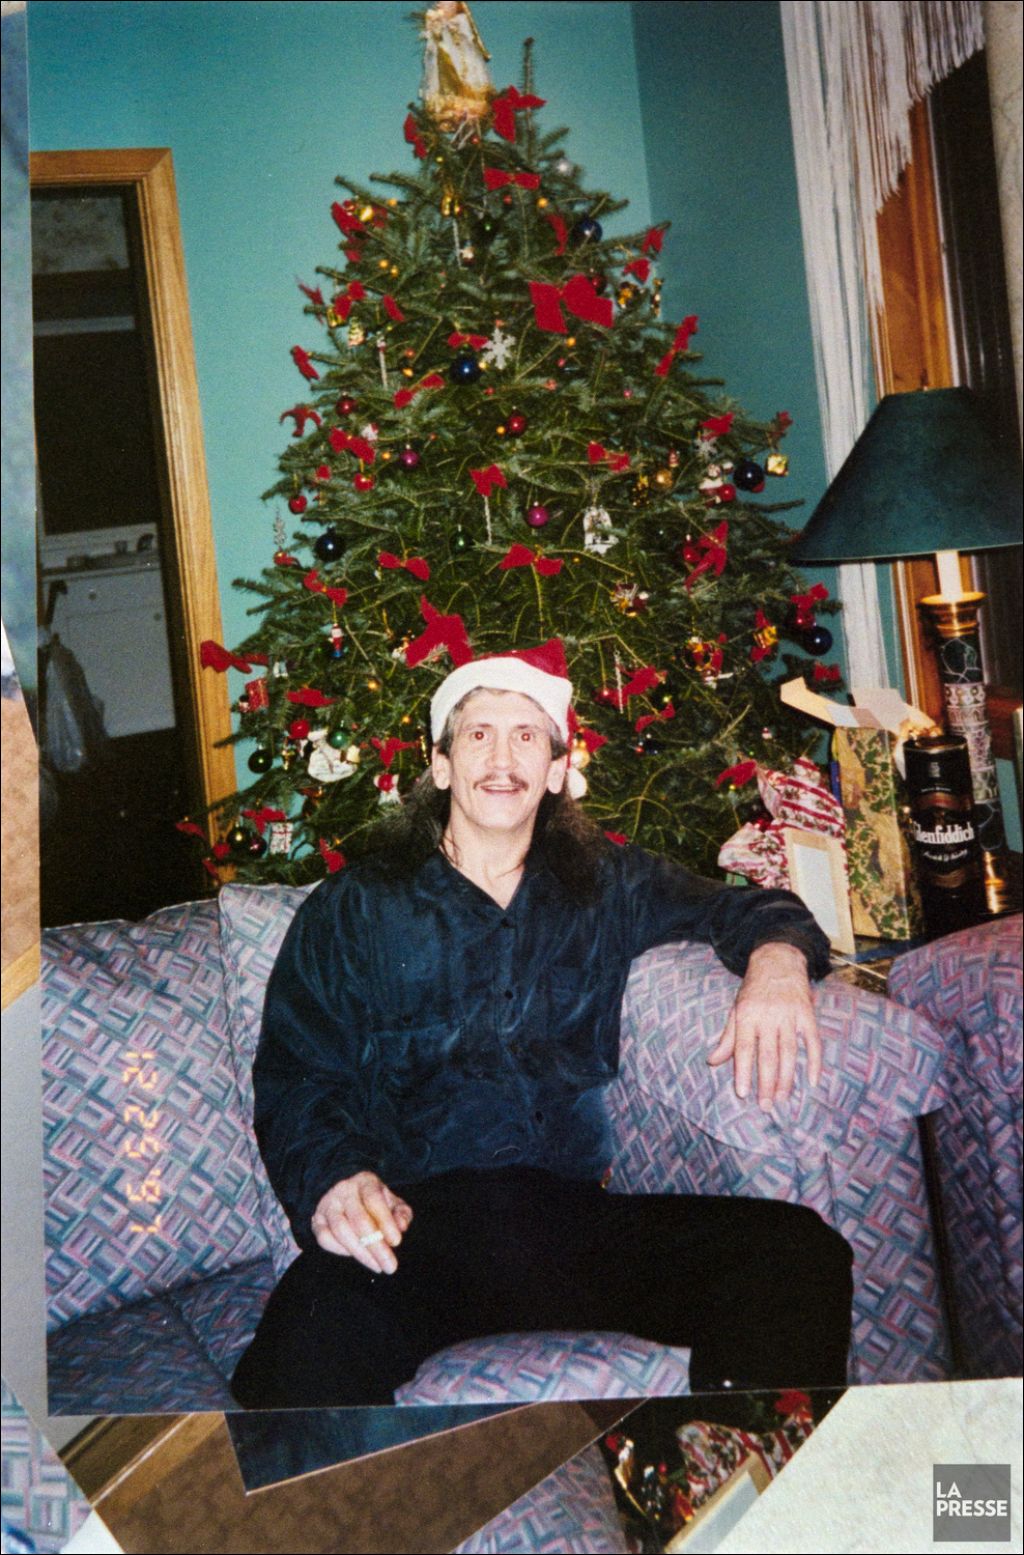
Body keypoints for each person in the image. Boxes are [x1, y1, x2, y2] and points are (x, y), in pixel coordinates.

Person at [231, 641, 853, 1408]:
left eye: (526, 735)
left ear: (557, 769)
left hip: (571, 1224)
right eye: (478, 734)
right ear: (441, 765)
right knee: (305, 1342)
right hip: (415, 1230)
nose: (502, 759)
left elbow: (748, 905)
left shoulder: (605, 883)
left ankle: (727, 1454)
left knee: (797, 1253)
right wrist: (335, 1177)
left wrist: (778, 962)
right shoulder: (353, 907)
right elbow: (298, 1074)